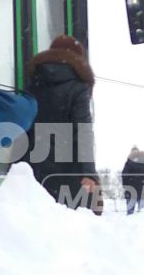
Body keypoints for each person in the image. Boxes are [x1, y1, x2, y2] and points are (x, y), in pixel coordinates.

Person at [25, 34, 102, 213]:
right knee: (73, 228)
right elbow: (83, 131)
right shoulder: (77, 87)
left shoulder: (32, 83)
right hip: (68, 170)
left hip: (33, 168)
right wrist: (89, 173)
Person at [121, 146, 144, 214]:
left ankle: (130, 223)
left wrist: (126, 185)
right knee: (142, 213)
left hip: (131, 189)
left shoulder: (129, 162)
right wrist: (142, 178)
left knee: (130, 213)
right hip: (142, 189)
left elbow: (124, 175)